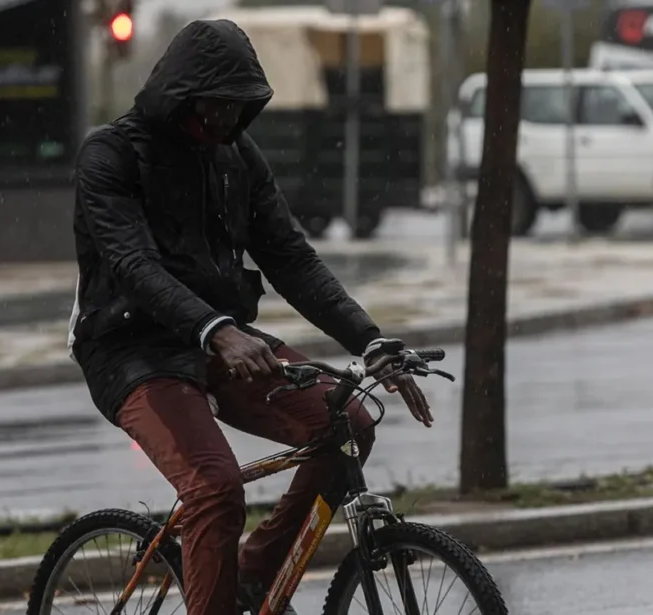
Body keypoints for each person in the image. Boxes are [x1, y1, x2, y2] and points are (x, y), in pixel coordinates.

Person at [67, 19, 433, 615]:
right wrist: (215, 328)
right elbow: (135, 264)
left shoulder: (236, 155)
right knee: (215, 489)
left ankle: (251, 579)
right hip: (131, 349)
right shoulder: (110, 155)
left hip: (224, 340)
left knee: (349, 426)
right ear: (184, 91)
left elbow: (291, 258)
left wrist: (370, 342)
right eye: (220, 101)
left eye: (242, 104)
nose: (229, 117)